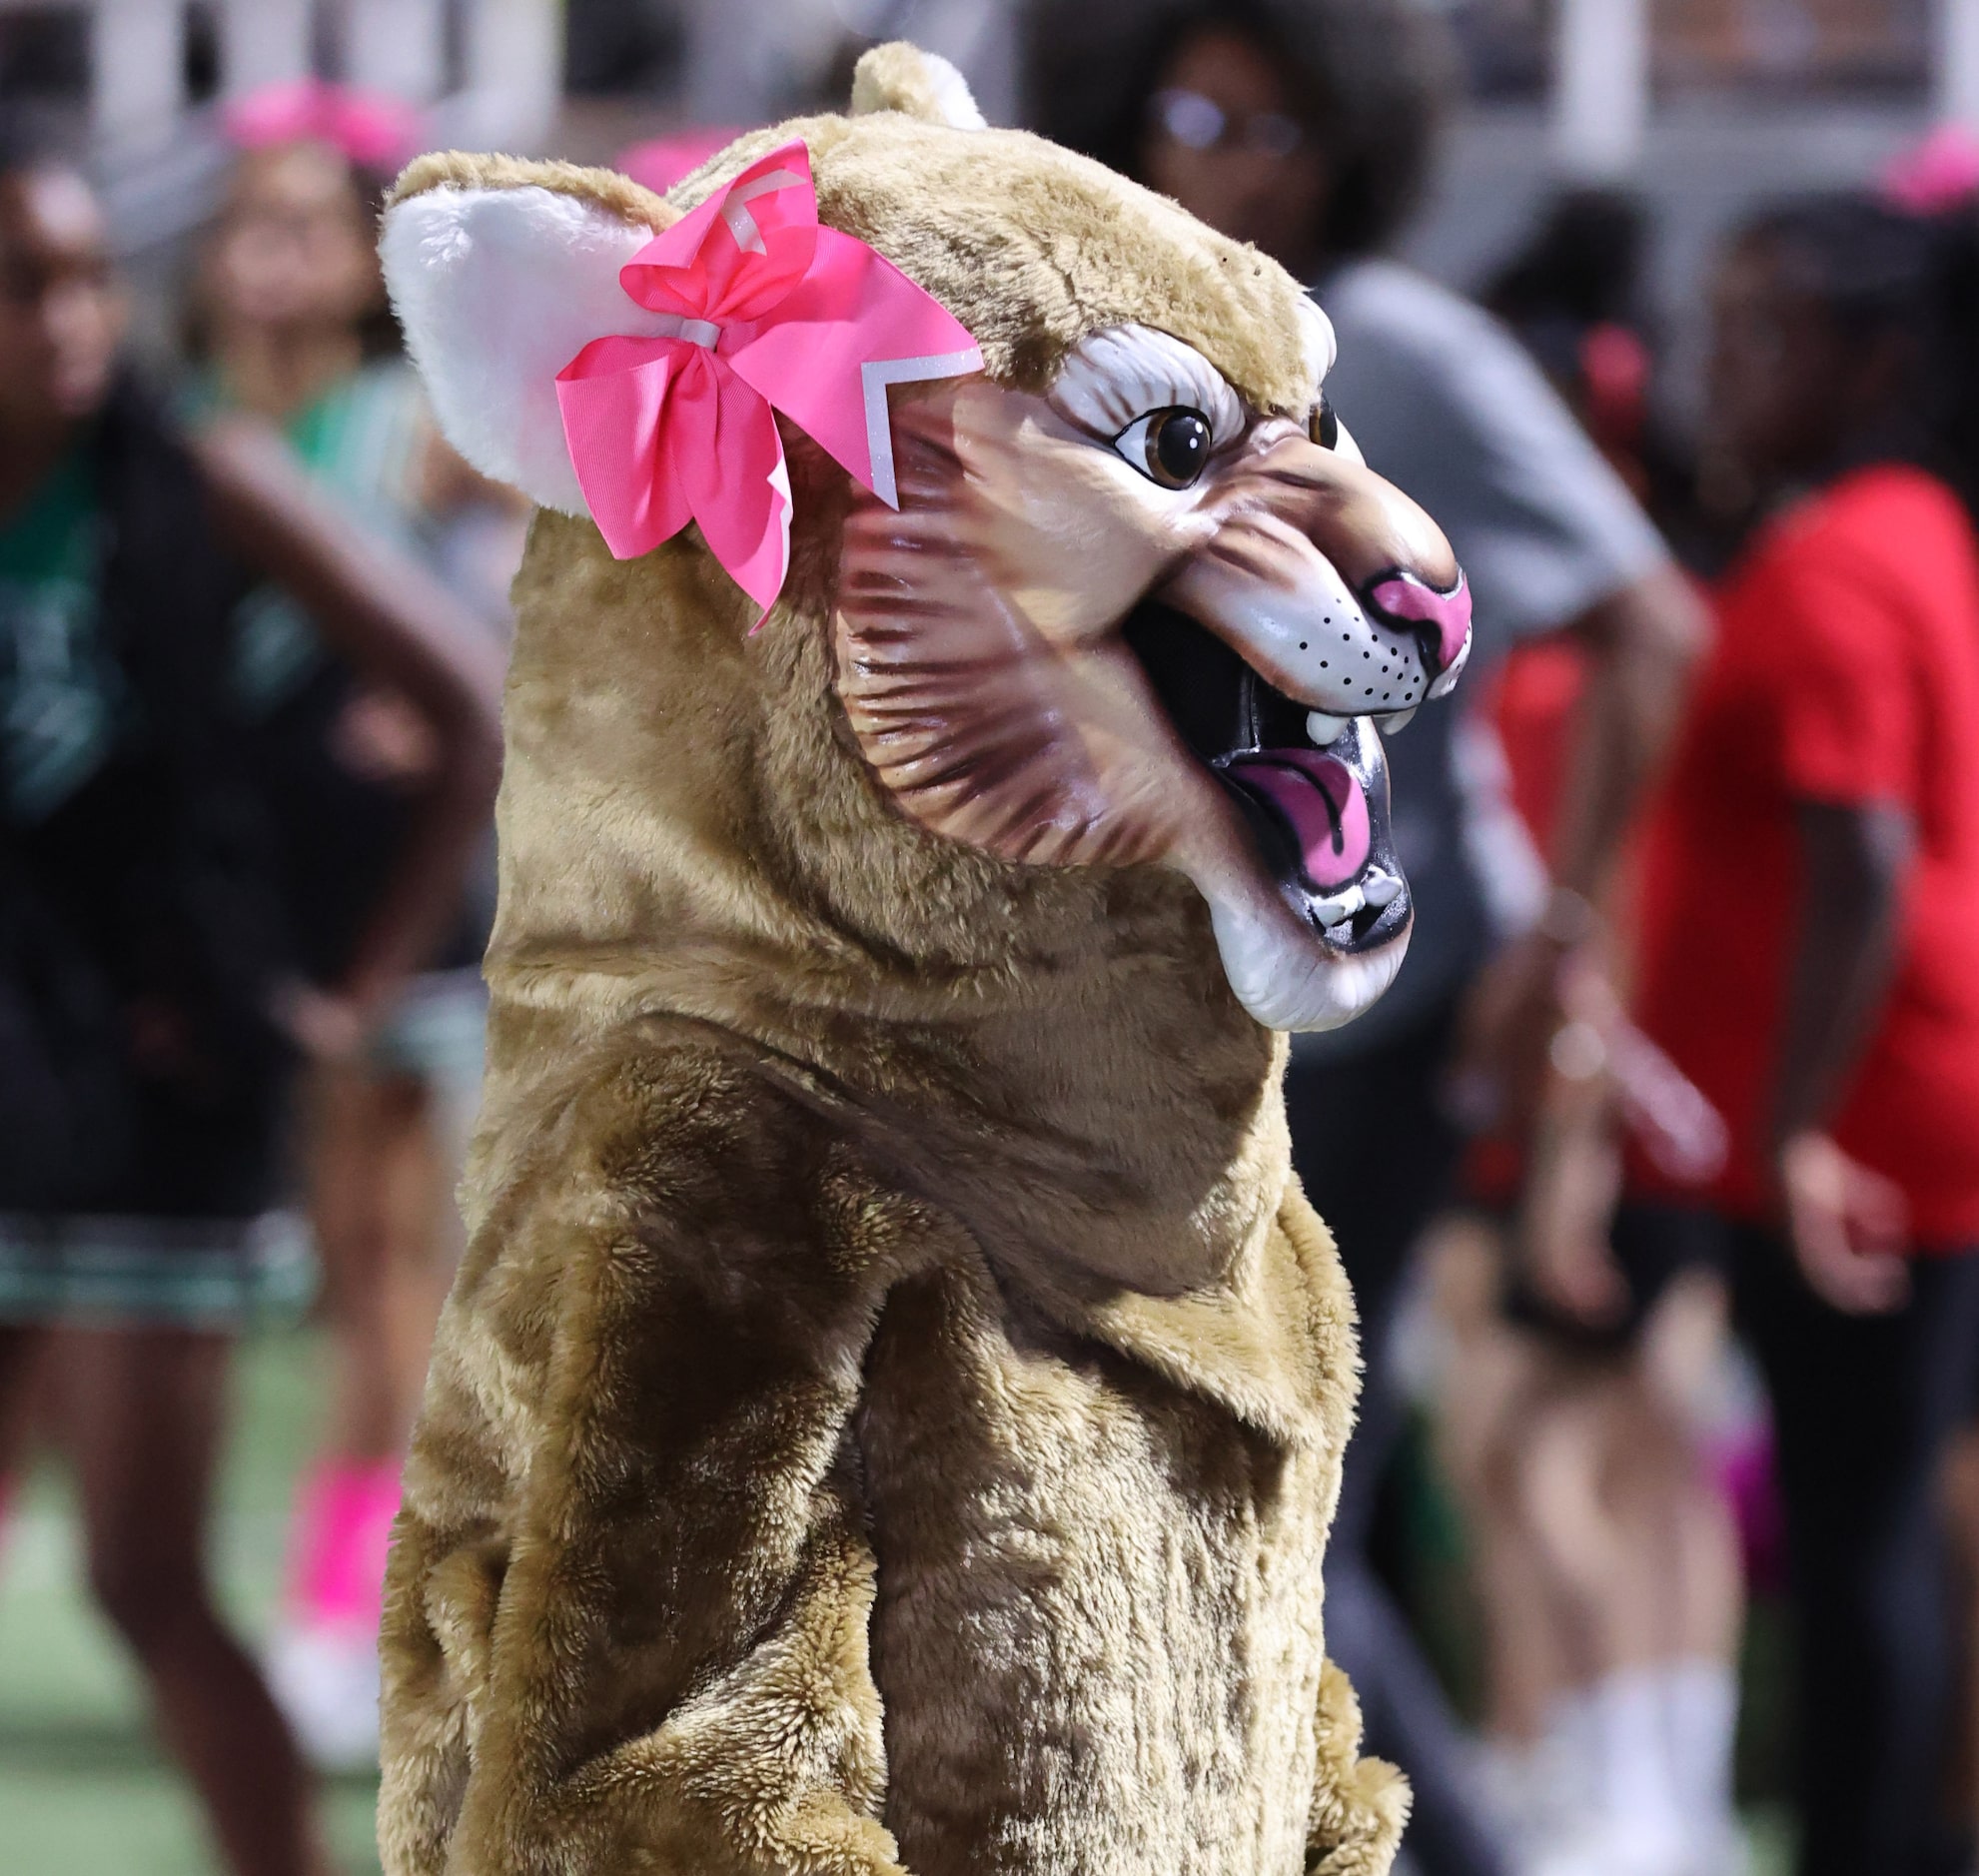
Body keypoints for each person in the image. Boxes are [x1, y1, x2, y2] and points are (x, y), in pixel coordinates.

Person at [1025, 6, 1706, 1873]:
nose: (1235, 160)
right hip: (1172, 1018)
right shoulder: (1103, 353)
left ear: (1359, 145)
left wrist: (1563, 945)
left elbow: (1653, 631)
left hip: (1378, 1014)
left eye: (1283, 124)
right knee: (1224, 1495)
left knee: (1266, 1499)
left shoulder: (1392, 343)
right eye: (1190, 112)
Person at [0, 130, 501, 1876]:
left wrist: (343, 987)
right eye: (22, 285)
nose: (66, 318)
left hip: (167, 1071)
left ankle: (314, 1719)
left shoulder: (209, 467)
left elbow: (466, 707)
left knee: (150, 1565)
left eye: (77, 277)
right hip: (23, 1058)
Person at [1602, 195, 1979, 1876]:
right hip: (1889, 1106)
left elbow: (1865, 858)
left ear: (1874, 361)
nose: (1720, 368)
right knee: (1872, 1529)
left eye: (1763, 333)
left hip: (1869, 1127)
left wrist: (1801, 1129)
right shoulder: (1900, 529)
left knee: (1855, 1543)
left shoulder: (1841, 556)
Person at [187, 116, 521, 1766]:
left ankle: (348, 1609)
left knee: (394, 1264)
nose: (270, 254)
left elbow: (528, 577)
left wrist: (457, 694)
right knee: (334, 1265)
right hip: (238, 896)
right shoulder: (166, 432)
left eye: (306, 226)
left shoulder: (414, 427)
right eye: (247, 224)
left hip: (401, 901)